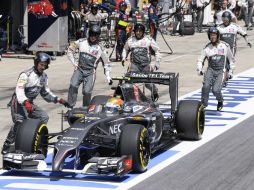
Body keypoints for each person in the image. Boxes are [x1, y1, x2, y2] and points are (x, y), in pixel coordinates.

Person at [2, 52, 68, 154]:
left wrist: (58, 99)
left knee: (43, 117)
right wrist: (25, 102)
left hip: (30, 103)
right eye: (41, 64)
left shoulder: (44, 77)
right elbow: (19, 91)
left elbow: (46, 92)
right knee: (20, 122)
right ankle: (8, 144)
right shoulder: (25, 75)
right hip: (19, 102)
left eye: (45, 65)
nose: (43, 67)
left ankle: (34, 139)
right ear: (36, 63)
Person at [67, 25, 112, 108]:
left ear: (98, 36)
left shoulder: (100, 49)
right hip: (79, 69)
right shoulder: (81, 41)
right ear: (89, 34)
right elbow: (70, 50)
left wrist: (108, 76)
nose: (93, 37)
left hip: (90, 72)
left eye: (95, 35)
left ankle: (85, 108)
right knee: (73, 85)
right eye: (91, 34)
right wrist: (74, 63)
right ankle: (70, 106)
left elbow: (107, 62)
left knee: (87, 92)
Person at [196, 27, 235, 111]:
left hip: (221, 71)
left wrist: (231, 71)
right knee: (205, 87)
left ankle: (220, 100)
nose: (212, 37)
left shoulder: (225, 46)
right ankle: (203, 104)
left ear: (217, 36)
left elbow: (231, 59)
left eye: (214, 35)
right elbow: (200, 59)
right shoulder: (206, 48)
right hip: (210, 70)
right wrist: (199, 69)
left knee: (215, 90)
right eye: (210, 35)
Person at [122, 23, 161, 101]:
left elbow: (157, 51)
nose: (138, 32)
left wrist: (156, 63)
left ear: (143, 32)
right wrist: (124, 57)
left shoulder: (148, 40)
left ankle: (155, 92)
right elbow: (125, 49)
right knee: (128, 82)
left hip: (146, 65)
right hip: (134, 65)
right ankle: (129, 98)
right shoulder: (130, 40)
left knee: (148, 84)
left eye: (140, 31)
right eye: (137, 31)